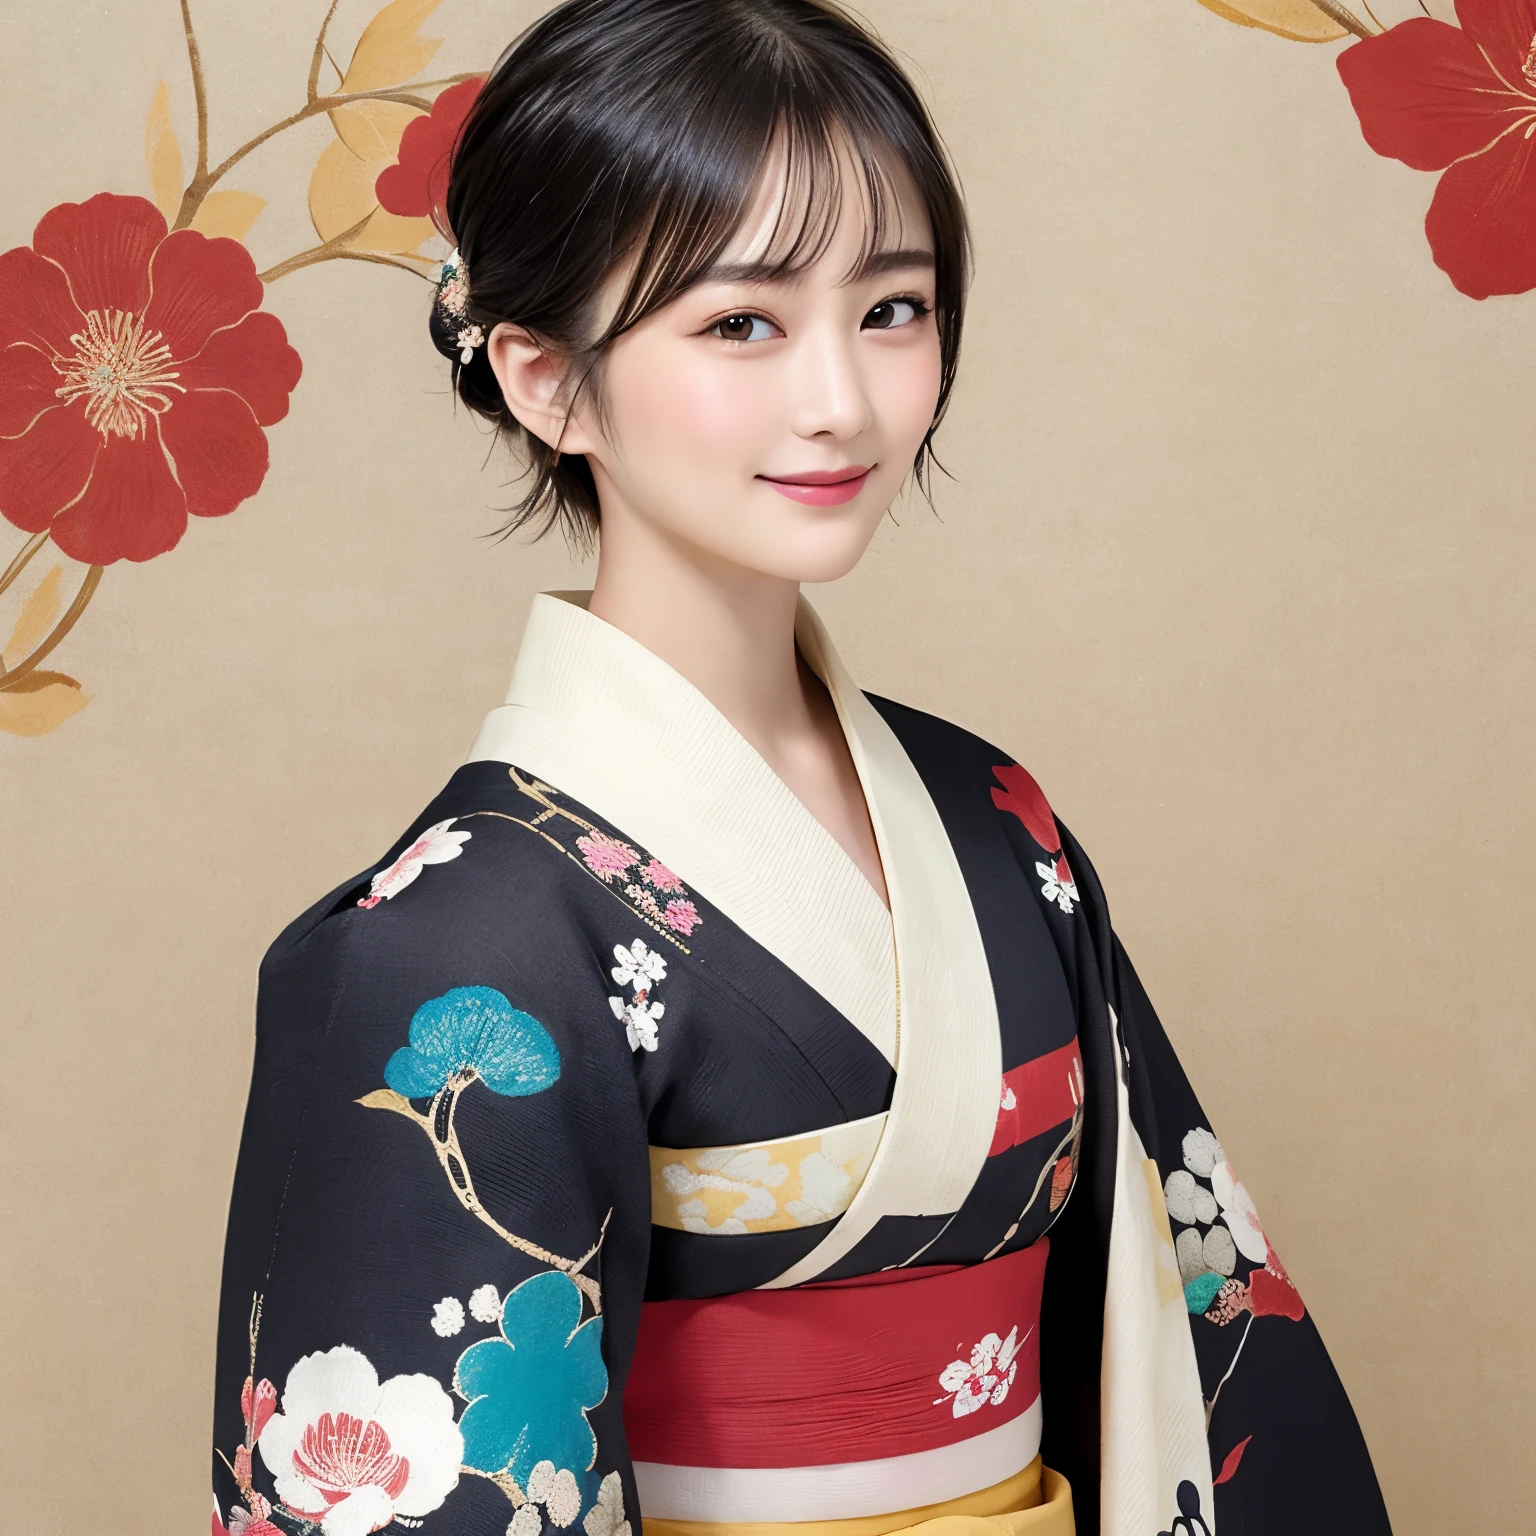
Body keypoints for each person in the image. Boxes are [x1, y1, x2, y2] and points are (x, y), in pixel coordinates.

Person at [208, 3, 1392, 1534]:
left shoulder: (991, 820)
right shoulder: (455, 948)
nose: (841, 397)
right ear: (543, 379)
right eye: (741, 323)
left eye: (892, 309)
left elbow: (1187, 1310)